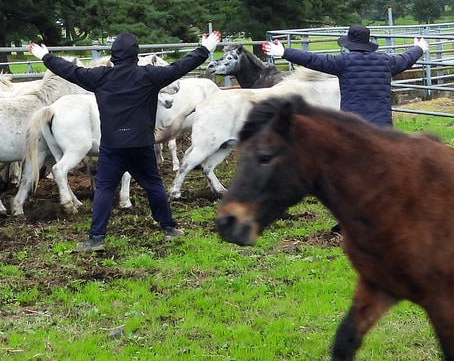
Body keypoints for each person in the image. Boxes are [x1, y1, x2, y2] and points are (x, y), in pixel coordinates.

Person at [28, 29, 222, 252]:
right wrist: (206, 48)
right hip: (141, 144)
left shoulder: (100, 77)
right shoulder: (149, 76)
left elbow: (70, 71)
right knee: (154, 186)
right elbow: (180, 66)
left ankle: (96, 238)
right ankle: (169, 228)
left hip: (112, 146)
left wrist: (45, 56)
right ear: (136, 56)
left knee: (104, 189)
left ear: (113, 56)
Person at [262, 25, 427, 127]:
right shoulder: (386, 61)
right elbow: (407, 58)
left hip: (352, 124)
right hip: (381, 124)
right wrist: (419, 48)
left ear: (349, 44)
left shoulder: (342, 62)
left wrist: (283, 52)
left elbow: (312, 59)